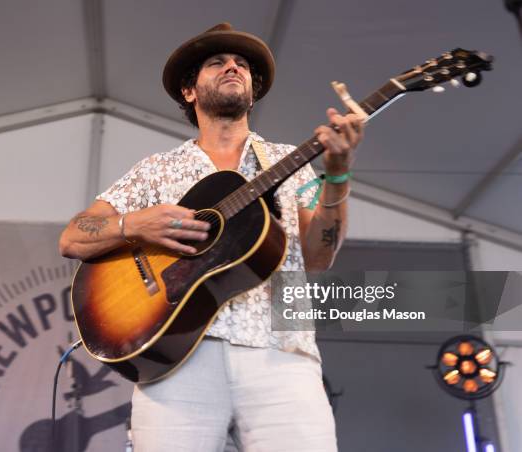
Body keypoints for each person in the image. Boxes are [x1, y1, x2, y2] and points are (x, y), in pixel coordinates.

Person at [59, 23, 363, 452]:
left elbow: (318, 257)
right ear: (189, 91)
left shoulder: (290, 163)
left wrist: (338, 174)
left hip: (283, 350)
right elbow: (73, 236)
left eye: (241, 65)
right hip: (178, 359)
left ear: (252, 94)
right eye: (217, 62)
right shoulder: (156, 170)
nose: (233, 67)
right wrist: (135, 224)